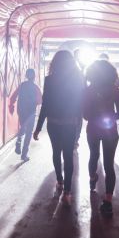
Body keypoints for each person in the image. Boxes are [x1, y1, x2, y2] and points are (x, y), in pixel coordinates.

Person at [33, 50, 84, 205]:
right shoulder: (78, 78)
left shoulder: (50, 80)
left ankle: (60, 181)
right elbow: (80, 103)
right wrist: (79, 121)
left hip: (53, 123)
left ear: (54, 63)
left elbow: (45, 105)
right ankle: (68, 192)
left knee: (56, 152)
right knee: (68, 155)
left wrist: (38, 127)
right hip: (70, 123)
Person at [83, 60, 119, 216]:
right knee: (109, 164)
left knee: (93, 155)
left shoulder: (88, 90)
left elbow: (85, 115)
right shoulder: (115, 90)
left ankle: (93, 178)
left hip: (93, 129)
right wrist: (109, 116)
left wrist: (97, 116)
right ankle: (108, 201)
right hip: (110, 131)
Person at [9, 68, 42, 162]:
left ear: (26, 76)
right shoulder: (36, 87)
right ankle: (24, 154)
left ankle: (18, 140)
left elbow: (13, 97)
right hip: (31, 112)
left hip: (21, 110)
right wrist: (34, 102)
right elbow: (40, 101)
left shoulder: (22, 85)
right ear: (34, 76)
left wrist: (12, 105)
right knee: (28, 133)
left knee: (23, 126)